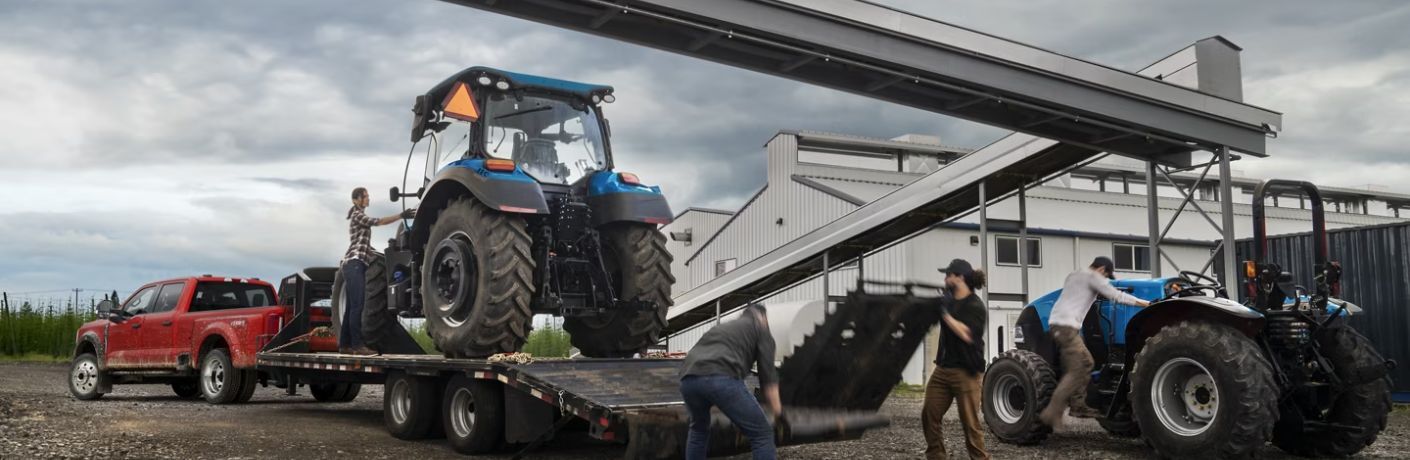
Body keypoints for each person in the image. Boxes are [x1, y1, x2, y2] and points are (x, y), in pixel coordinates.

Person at [1039, 256, 1150, 428]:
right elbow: (1116, 296)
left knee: (1087, 362)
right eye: (1106, 275)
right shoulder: (1093, 277)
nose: (1105, 279)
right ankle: (1052, 412)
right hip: (1066, 327)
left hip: (1063, 326)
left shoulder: (1075, 275)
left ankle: (1078, 405)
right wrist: (1145, 303)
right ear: (1101, 269)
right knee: (1078, 369)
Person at [679, 303, 782, 460]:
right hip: (720, 378)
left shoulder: (722, 328)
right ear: (762, 318)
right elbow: (767, 376)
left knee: (699, 429)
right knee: (762, 433)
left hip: (688, 379)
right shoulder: (761, 330)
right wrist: (778, 413)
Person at [923, 258, 990, 460]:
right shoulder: (948, 300)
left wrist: (945, 314)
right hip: (942, 370)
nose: (944, 279)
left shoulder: (975, 306)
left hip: (966, 373)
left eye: (948, 275)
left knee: (970, 424)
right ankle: (936, 456)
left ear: (959, 277)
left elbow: (967, 334)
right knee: (929, 414)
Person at [341, 186, 414, 355]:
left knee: (352, 306)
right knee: (358, 306)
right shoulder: (358, 215)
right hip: (354, 263)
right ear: (356, 199)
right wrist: (400, 216)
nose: (368, 199)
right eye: (365, 196)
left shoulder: (358, 215)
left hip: (355, 264)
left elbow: (362, 240)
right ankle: (358, 346)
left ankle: (344, 345)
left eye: (368, 196)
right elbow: (378, 221)